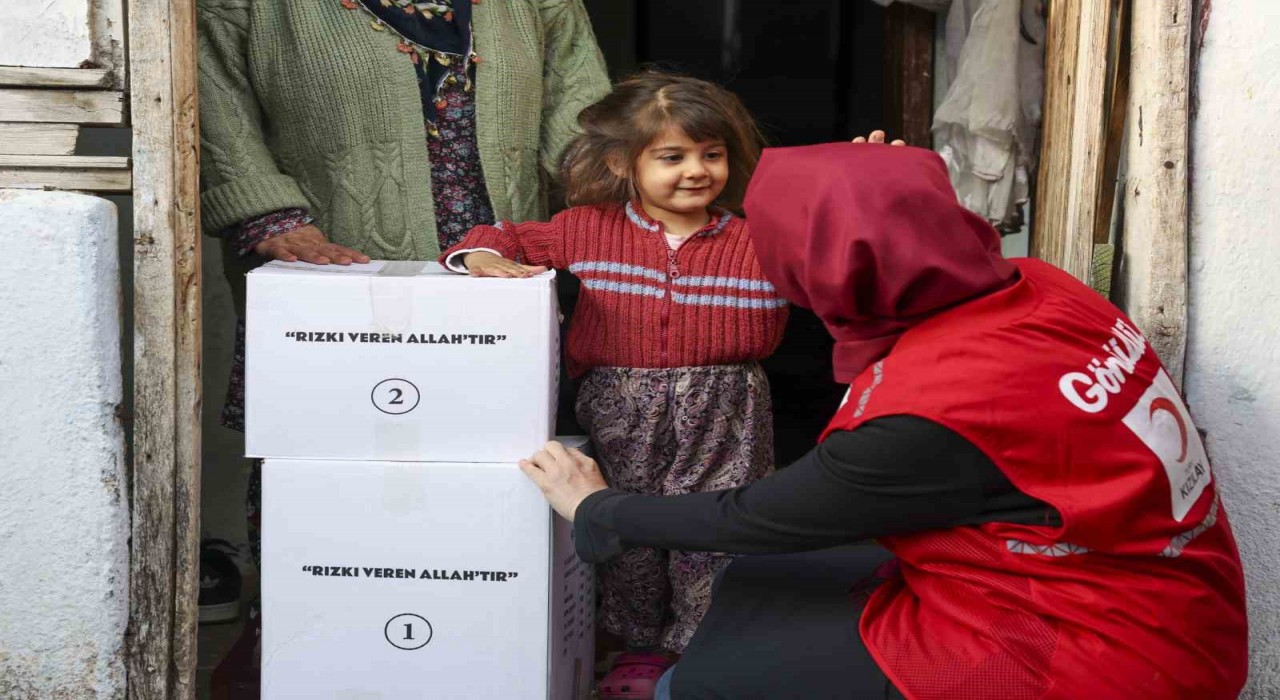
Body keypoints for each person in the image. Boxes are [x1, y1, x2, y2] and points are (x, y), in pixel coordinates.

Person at [517, 143, 1249, 699]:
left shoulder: (932, 414)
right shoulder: (1044, 289)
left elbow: (759, 515)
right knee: (755, 586)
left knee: (700, 681)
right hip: (1158, 594)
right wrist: (879, 187)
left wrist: (599, 507)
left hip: (1094, 653)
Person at [196, 0, 609, 693]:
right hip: (337, 276)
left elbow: (586, 116)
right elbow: (211, 97)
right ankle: (314, 646)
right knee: (325, 463)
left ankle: (492, 648)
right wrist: (263, 210)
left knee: (504, 463)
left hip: (503, 284)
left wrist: (609, 220)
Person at [439, 72, 788, 698]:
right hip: (619, 404)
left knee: (715, 526)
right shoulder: (587, 229)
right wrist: (483, 257)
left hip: (728, 405)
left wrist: (867, 181)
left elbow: (852, 254)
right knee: (623, 524)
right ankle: (635, 648)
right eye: (672, 156)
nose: (696, 171)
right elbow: (504, 236)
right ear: (624, 163)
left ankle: (700, 646)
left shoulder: (762, 237)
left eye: (712, 154)